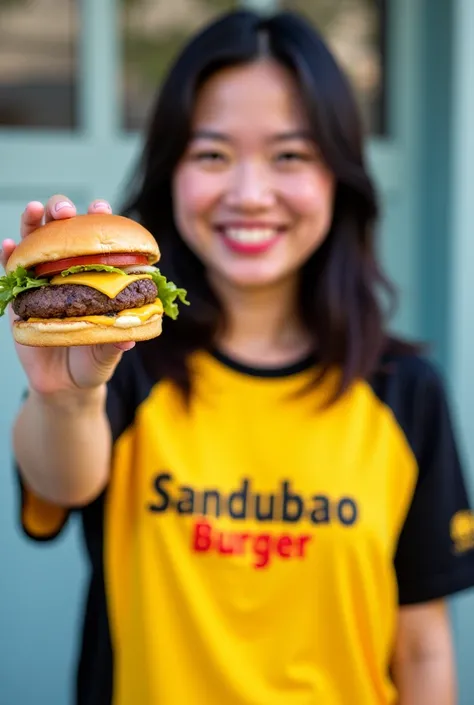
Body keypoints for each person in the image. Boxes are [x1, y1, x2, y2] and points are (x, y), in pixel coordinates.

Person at [3, 8, 474, 705]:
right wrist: (66, 393)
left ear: (338, 175)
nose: (250, 195)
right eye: (213, 154)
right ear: (171, 171)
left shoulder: (406, 391)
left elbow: (424, 644)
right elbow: (63, 483)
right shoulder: (120, 357)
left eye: (290, 155)